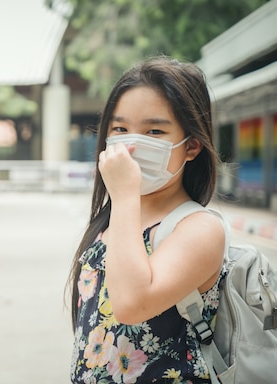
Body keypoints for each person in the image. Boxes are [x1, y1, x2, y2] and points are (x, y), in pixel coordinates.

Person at [68, 56, 226, 383]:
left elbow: (131, 304)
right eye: (120, 129)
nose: (132, 144)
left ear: (192, 145)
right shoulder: (116, 219)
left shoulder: (199, 228)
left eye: (154, 131)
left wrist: (126, 194)